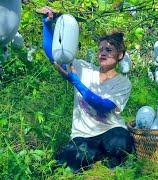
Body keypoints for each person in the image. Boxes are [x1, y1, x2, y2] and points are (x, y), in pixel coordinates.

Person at [40, 6, 133, 172]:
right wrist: (47, 26)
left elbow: (104, 105)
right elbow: (55, 54)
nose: (102, 53)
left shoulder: (123, 83)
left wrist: (76, 81)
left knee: (120, 144)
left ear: (120, 55)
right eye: (100, 49)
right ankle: (95, 157)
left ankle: (102, 162)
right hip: (83, 134)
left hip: (110, 130)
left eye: (109, 50)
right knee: (74, 157)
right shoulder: (83, 68)